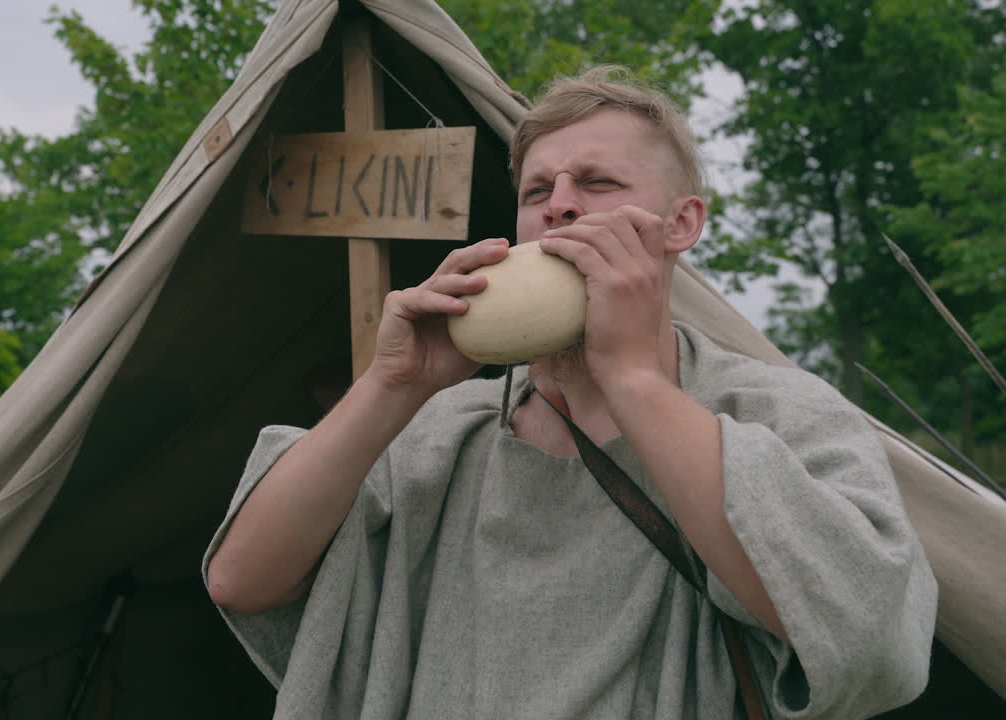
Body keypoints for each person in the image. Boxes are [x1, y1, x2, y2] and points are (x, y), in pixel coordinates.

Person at [204, 65, 936, 719]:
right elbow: (241, 580)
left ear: (681, 224)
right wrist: (393, 387)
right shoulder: (440, 427)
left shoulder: (780, 412)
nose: (558, 206)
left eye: (598, 183)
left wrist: (632, 377)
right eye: (535, 191)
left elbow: (865, 632)